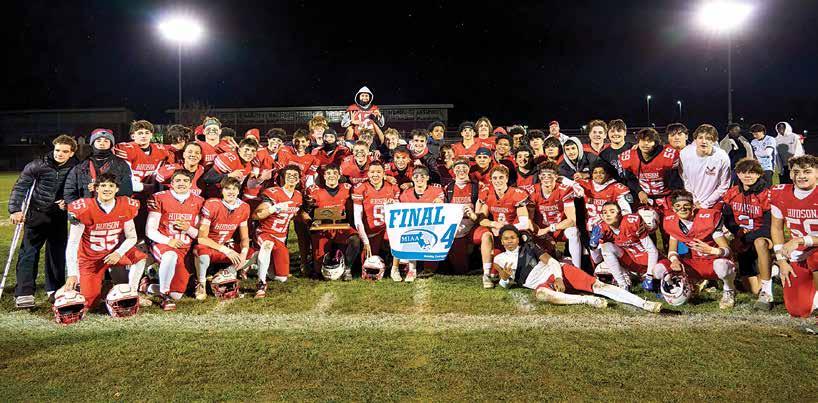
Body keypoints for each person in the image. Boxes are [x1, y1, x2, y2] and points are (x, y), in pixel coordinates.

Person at [492, 225, 661, 312]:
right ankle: (586, 300)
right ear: (501, 240)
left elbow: (552, 262)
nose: (509, 241)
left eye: (512, 237)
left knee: (599, 286)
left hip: (559, 272)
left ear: (518, 238)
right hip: (542, 284)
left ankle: (644, 304)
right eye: (505, 238)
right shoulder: (499, 259)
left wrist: (559, 278)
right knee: (541, 294)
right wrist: (505, 279)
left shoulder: (529, 247)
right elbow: (504, 284)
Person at [9, 135, 78, 308]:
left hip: (58, 216)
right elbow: (21, 187)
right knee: (29, 252)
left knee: (56, 254)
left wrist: (68, 202)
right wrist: (15, 209)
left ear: (71, 153)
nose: (59, 154)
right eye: (57, 150)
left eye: (64, 151)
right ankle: (24, 292)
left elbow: (78, 189)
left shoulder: (76, 168)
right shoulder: (37, 165)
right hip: (36, 214)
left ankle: (54, 289)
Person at [63, 173, 147, 309]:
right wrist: (72, 273)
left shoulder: (125, 205)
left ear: (117, 189)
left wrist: (119, 253)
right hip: (91, 259)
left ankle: (132, 293)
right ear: (96, 188)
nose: (107, 189)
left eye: (111, 186)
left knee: (140, 257)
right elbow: (72, 244)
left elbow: (132, 237)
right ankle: (64, 291)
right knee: (90, 304)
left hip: (113, 253)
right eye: (103, 185)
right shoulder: (84, 208)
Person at [662, 190, 737, 309]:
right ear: (673, 208)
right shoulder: (671, 222)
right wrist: (674, 260)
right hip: (695, 263)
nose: (682, 209)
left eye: (686, 205)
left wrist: (712, 250)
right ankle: (690, 286)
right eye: (678, 206)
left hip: (713, 262)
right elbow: (672, 249)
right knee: (659, 269)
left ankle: (729, 290)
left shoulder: (707, 219)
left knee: (721, 266)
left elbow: (727, 250)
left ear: (693, 206)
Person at [146, 170, 205, 311]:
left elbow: (200, 235)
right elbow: (150, 230)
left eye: (185, 181)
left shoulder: (199, 201)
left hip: (185, 248)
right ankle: (164, 296)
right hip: (163, 243)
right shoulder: (159, 198)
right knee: (170, 256)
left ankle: (148, 286)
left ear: (190, 184)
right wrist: (168, 241)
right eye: (177, 180)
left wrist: (188, 228)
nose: (181, 183)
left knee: (177, 294)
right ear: (171, 183)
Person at [770, 155, 818, 324]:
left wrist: (800, 240)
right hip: (800, 254)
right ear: (790, 174)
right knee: (798, 310)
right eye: (796, 172)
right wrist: (781, 260)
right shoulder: (780, 193)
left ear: (817, 173)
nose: (801, 176)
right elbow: (776, 228)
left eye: (807, 172)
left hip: (813, 249)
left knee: (816, 258)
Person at [722, 158, 774, 309]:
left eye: (751, 172)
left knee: (760, 242)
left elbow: (768, 226)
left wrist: (743, 238)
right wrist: (736, 234)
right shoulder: (732, 193)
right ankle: (773, 269)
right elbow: (728, 219)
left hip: (762, 238)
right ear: (737, 174)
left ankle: (767, 289)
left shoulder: (766, 194)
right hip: (743, 239)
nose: (747, 176)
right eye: (743, 172)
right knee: (753, 289)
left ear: (759, 174)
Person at [193, 177, 252, 300]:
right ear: (222, 191)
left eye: (234, 189)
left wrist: (243, 253)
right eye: (227, 188)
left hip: (225, 245)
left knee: (254, 253)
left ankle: (224, 273)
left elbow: (245, 237)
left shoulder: (244, 207)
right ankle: (201, 284)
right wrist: (227, 250)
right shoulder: (212, 204)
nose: (231, 192)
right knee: (202, 253)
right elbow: (202, 238)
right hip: (211, 246)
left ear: (238, 191)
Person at [474, 165, 530, 288]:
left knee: (508, 271)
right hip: (496, 232)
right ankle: (486, 274)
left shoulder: (516, 193)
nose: (498, 180)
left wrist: (505, 228)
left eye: (501, 177)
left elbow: (525, 223)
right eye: (495, 178)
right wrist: (493, 224)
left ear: (507, 178)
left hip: (513, 232)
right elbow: (482, 219)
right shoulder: (488, 193)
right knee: (485, 235)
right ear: (491, 179)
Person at [253, 165, 303, 296]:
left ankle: (259, 261)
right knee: (267, 245)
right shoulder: (273, 193)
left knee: (282, 278)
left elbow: (295, 214)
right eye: (289, 175)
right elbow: (256, 215)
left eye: (295, 175)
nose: (292, 178)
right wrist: (273, 208)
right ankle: (261, 283)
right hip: (265, 232)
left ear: (299, 179)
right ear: (282, 178)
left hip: (281, 237)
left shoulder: (298, 196)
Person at [305, 164, 361, 280]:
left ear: (339, 175)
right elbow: (307, 211)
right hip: (323, 228)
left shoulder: (347, 188)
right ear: (324, 176)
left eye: (335, 173)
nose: (332, 176)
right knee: (318, 270)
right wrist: (311, 219)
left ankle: (347, 268)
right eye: (328, 173)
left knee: (355, 239)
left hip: (341, 226)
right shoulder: (314, 190)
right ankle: (316, 263)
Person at [597, 202, 670, 291]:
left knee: (659, 271)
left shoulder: (631, 222)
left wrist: (649, 276)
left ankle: (651, 279)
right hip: (632, 262)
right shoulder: (602, 228)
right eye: (605, 212)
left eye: (612, 212)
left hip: (650, 260)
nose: (608, 215)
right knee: (603, 257)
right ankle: (622, 284)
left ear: (620, 213)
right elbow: (596, 259)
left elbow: (652, 250)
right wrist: (592, 246)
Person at [391, 166, 444, 282]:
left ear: (428, 178)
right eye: (416, 176)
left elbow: (444, 210)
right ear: (412, 178)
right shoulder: (406, 194)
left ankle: (413, 267)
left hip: (431, 229)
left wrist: (441, 203)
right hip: (412, 229)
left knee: (432, 268)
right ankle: (404, 268)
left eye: (422, 176)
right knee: (404, 233)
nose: (419, 178)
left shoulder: (437, 191)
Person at [619, 127, 680, 222]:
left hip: (666, 197)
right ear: (638, 142)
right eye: (643, 140)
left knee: (669, 224)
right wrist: (639, 191)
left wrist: (674, 198)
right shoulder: (629, 156)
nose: (646, 144)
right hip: (644, 198)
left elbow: (675, 181)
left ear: (655, 143)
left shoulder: (668, 156)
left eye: (649, 141)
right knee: (645, 224)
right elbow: (630, 179)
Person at [528, 161, 581, 267]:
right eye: (543, 175)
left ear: (556, 176)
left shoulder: (565, 190)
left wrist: (549, 229)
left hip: (559, 229)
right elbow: (529, 219)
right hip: (539, 230)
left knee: (573, 232)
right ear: (539, 176)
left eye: (549, 175)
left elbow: (572, 220)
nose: (546, 178)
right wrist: (538, 231)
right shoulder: (533, 191)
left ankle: (577, 268)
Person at [64, 128, 133, 204]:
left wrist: (103, 188)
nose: (102, 143)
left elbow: (127, 191)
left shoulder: (121, 164)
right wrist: (78, 207)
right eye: (98, 141)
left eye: (106, 141)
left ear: (111, 144)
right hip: (87, 208)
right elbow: (69, 191)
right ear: (93, 143)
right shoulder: (81, 166)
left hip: (112, 208)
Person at [442, 158, 485, 276]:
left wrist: (473, 215)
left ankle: (483, 265)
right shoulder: (448, 187)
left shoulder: (477, 186)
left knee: (486, 235)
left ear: (469, 169)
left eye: (464, 167)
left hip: (473, 223)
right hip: (456, 225)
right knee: (460, 269)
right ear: (453, 170)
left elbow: (481, 211)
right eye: (458, 167)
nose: (461, 170)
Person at [352, 161, 401, 264]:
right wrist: (365, 241)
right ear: (368, 173)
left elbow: (398, 214)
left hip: (387, 231)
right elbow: (357, 219)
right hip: (370, 233)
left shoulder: (392, 187)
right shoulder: (361, 188)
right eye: (372, 172)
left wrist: (394, 205)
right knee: (369, 263)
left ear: (384, 174)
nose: (375, 175)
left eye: (378, 172)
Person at [680, 124, 731, 209]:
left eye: (708, 138)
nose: (704, 141)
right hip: (693, 201)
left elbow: (724, 185)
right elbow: (685, 179)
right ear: (695, 140)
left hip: (714, 203)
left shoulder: (722, 157)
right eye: (700, 138)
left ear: (714, 141)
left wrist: (705, 204)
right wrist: (694, 200)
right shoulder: (685, 154)